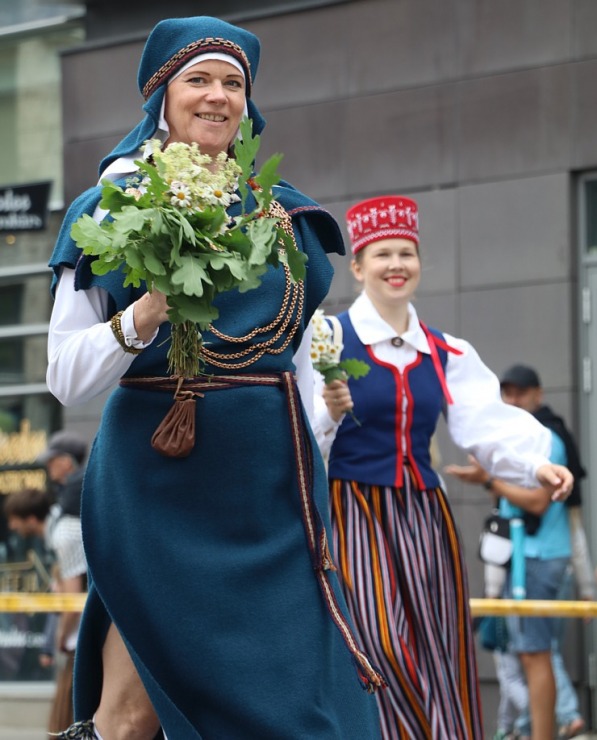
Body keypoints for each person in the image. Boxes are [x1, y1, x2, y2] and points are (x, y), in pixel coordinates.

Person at [45, 16, 383, 740]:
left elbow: (292, 368)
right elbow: (65, 379)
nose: (217, 97)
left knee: (297, 709)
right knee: (130, 716)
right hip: (156, 488)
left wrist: (326, 420)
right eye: (197, 79)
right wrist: (147, 312)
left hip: (271, 492)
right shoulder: (110, 208)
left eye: (233, 83)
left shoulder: (286, 217)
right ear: (159, 97)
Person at [313, 194, 573, 739]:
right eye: (382, 254)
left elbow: (485, 423)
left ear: (419, 264)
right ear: (358, 267)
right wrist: (328, 412)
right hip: (353, 514)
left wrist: (537, 464)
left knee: (436, 648)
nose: (396, 265)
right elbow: (302, 438)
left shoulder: (444, 350)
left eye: (406, 253)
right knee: (378, 645)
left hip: (425, 518)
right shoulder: (329, 339)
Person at [448, 363, 592, 740]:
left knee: (535, 653)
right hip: (527, 558)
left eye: (520, 392)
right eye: (506, 393)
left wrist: (490, 480)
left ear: (538, 394)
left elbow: (539, 502)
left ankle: (545, 731)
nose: (512, 400)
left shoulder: (547, 440)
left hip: (540, 558)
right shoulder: (519, 439)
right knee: (529, 654)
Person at [4, 487, 87, 734]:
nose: (11, 527)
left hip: (83, 639)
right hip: (83, 637)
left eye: (14, 519)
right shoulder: (59, 530)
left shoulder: (63, 534)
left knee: (73, 713)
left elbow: (71, 604)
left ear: (31, 519)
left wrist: (59, 638)